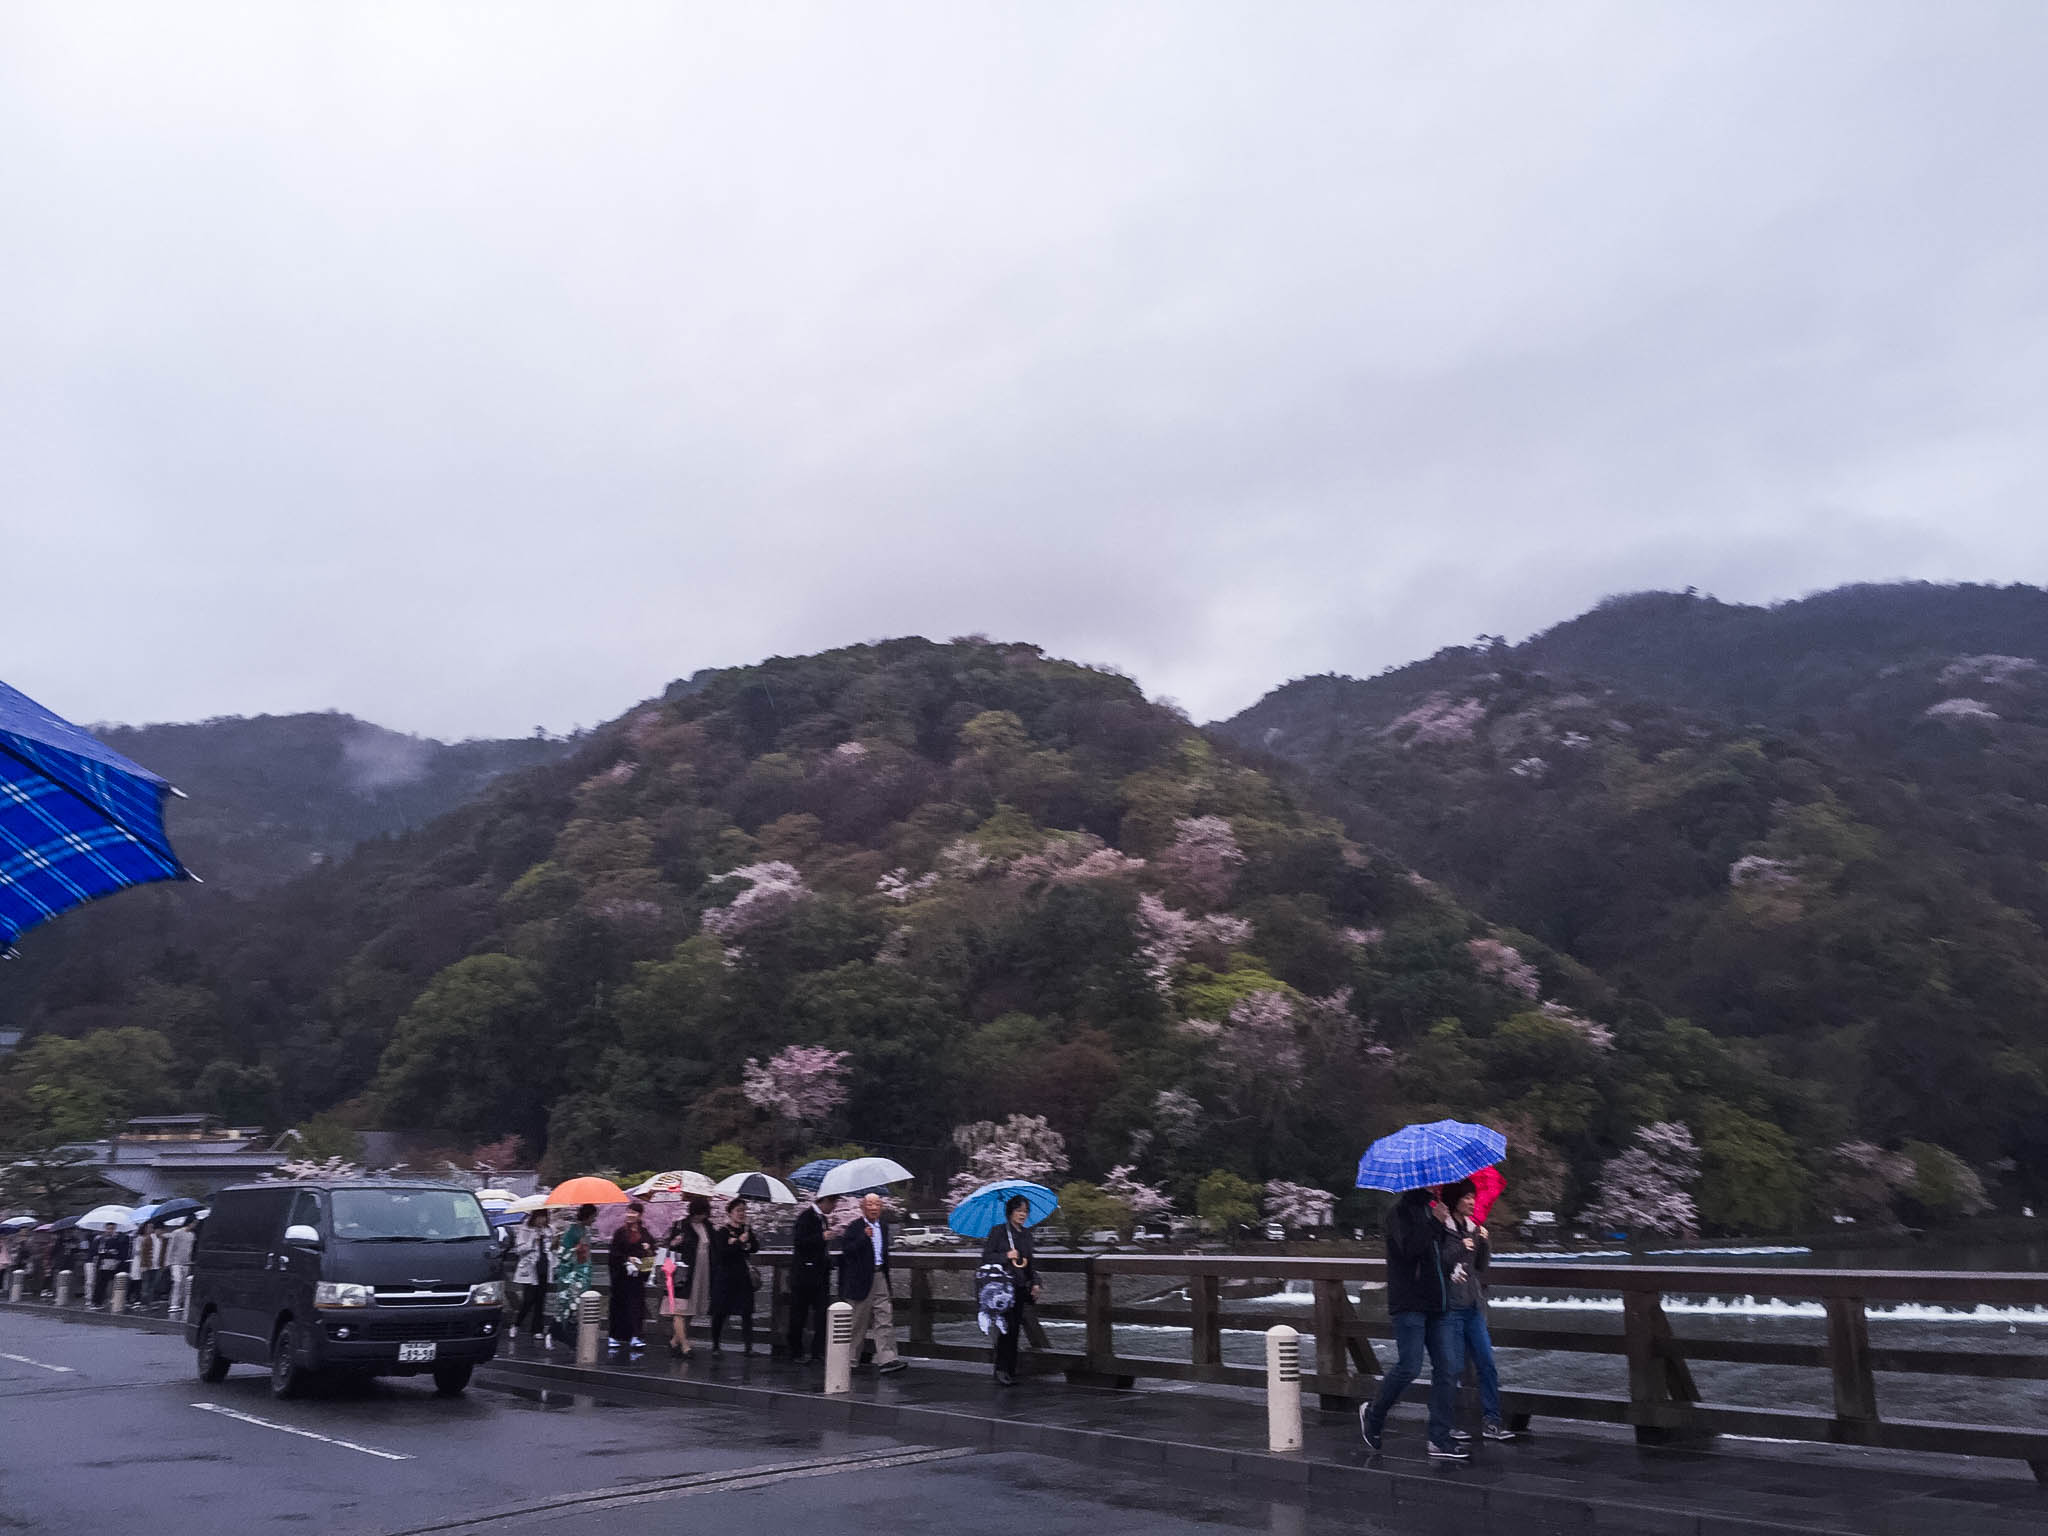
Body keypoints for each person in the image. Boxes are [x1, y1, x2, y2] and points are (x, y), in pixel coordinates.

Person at [1359, 1186, 1468, 1460]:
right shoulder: (1399, 1213)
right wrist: (1435, 1223)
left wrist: (1455, 1255)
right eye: (1430, 1183)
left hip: (1439, 1302)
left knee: (1449, 1368)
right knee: (1410, 1366)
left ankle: (1439, 1438)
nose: (1435, 1187)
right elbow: (1407, 1251)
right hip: (1409, 1303)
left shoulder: (1437, 1210)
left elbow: (1441, 1255)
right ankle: (1374, 1413)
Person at [1443, 1181, 1515, 1443]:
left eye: (1473, 1197)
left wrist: (1484, 1243)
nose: (1472, 1202)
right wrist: (1462, 1246)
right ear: (1454, 1200)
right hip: (1450, 1308)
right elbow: (1441, 1260)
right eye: (1466, 1197)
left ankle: (1492, 1421)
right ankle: (1447, 1424)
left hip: (1473, 1306)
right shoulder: (1443, 1229)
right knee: (1451, 1368)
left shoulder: (1474, 1228)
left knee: (1487, 1363)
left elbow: (1481, 1266)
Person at [838, 1192, 906, 1374]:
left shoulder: (883, 1226)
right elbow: (847, 1252)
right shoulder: (854, 1227)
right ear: (862, 1207)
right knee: (858, 1321)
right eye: (870, 1204)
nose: (874, 1208)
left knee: (885, 1317)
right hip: (861, 1279)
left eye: (877, 1204)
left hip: (879, 1275)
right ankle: (850, 1360)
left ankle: (887, 1359)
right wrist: (863, 1237)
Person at [980, 1194, 1041, 1386]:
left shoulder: (1026, 1234)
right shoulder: (998, 1231)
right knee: (1005, 1327)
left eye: (1025, 1211)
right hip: (1002, 1288)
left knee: (1015, 1329)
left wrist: (1036, 1282)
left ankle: (1011, 1368)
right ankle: (1001, 1368)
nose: (1022, 1215)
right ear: (1010, 1212)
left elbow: (1030, 1261)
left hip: (1020, 1285)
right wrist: (1006, 1255)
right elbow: (987, 1257)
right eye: (1018, 1210)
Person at [662, 1197, 715, 1358]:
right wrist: (675, 1242)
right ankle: (685, 1345)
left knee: (690, 1308)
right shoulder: (681, 1225)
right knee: (680, 1309)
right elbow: (669, 1246)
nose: (701, 1217)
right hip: (683, 1272)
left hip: (702, 1270)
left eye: (704, 1214)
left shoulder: (708, 1226)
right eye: (699, 1214)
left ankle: (674, 1341)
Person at [707, 1197, 761, 1353]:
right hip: (725, 1276)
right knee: (720, 1312)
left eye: (744, 1210)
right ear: (730, 1213)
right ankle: (716, 1344)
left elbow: (754, 1247)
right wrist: (738, 1243)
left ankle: (748, 1347)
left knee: (746, 1312)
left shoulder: (746, 1230)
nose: (742, 1213)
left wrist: (744, 1242)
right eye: (738, 1210)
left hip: (743, 1276)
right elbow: (721, 1253)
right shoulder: (722, 1232)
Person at [785, 1193, 835, 1363]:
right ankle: (795, 1351)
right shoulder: (806, 1217)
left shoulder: (823, 1219)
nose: (834, 1207)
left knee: (822, 1314)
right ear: (825, 1201)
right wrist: (821, 1237)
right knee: (799, 1313)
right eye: (833, 1203)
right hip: (804, 1274)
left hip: (820, 1274)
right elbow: (799, 1242)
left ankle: (817, 1351)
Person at [607, 1203, 655, 1349]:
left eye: (634, 1212)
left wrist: (648, 1249)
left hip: (637, 1276)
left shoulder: (645, 1233)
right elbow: (614, 1254)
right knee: (619, 1305)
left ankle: (635, 1335)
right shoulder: (620, 1232)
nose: (630, 1215)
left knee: (636, 1306)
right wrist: (627, 1259)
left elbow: (653, 1251)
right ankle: (614, 1335)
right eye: (629, 1212)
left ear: (640, 1215)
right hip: (622, 1275)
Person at [548, 1203, 597, 1345]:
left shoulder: (585, 1230)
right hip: (572, 1273)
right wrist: (576, 1248)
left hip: (583, 1271)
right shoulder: (572, 1231)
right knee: (570, 1304)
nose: (594, 1220)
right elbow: (563, 1254)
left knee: (578, 1303)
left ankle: (561, 1331)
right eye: (593, 1217)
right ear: (587, 1216)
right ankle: (565, 1334)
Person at [510, 1211, 551, 1340]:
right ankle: (516, 1323)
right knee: (529, 1299)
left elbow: (551, 1249)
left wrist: (553, 1242)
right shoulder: (525, 1229)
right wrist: (532, 1241)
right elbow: (519, 1249)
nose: (542, 1220)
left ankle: (537, 1329)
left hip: (544, 1266)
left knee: (540, 1299)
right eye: (540, 1217)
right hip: (530, 1267)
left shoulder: (548, 1230)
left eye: (544, 1217)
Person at [90, 1223, 130, 1307]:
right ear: (105, 1229)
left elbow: (121, 1251)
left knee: (112, 1282)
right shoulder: (100, 1239)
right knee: (100, 1282)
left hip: (114, 1262)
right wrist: (107, 1251)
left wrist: (117, 1255)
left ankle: (109, 1299)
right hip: (103, 1262)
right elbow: (96, 1251)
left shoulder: (118, 1239)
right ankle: (97, 1301)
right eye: (109, 1229)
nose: (110, 1231)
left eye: (112, 1229)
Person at [164, 1219, 196, 1312]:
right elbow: (171, 1246)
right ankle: (174, 1304)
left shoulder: (192, 1235)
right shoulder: (176, 1233)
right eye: (194, 1223)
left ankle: (178, 1302)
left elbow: (191, 1248)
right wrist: (168, 1261)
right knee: (177, 1282)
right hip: (175, 1262)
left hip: (186, 1262)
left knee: (183, 1283)